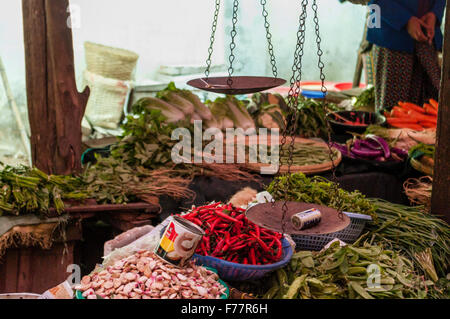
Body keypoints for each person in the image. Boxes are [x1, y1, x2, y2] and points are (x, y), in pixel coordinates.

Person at [366, 0, 445, 111]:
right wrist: (405, 19)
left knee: (431, 111)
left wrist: (435, 14)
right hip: (392, 39)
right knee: (394, 112)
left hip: (428, 37)